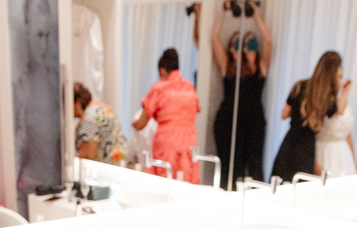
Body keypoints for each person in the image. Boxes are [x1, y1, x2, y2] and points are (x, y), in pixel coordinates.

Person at [210, 1, 271, 187]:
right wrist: (224, 12)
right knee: (228, 164)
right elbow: (214, 38)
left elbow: (268, 40)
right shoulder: (228, 66)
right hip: (229, 119)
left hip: (253, 121)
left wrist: (255, 16)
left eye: (251, 43)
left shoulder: (260, 67)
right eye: (239, 43)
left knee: (253, 163)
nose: (247, 47)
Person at [131, 49, 199, 183]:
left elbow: (140, 124)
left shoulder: (159, 88)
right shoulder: (190, 88)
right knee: (185, 185)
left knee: (163, 185)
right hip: (188, 144)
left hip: (167, 145)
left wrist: (133, 122)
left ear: (162, 70)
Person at [309, 51, 357, 177]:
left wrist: (354, 161)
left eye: (342, 76)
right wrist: (315, 163)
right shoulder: (321, 103)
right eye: (338, 77)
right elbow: (310, 136)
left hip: (343, 156)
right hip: (325, 155)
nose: (340, 81)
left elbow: (348, 134)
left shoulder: (342, 101)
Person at [73, 82, 130, 167]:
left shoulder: (89, 118)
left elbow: (87, 156)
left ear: (77, 102)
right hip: (119, 165)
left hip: (107, 171)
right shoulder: (99, 107)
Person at [270, 77, 316, 183]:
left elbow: (284, 114)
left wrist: (296, 112)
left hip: (290, 142)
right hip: (306, 147)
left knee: (282, 182)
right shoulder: (323, 94)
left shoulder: (299, 85)